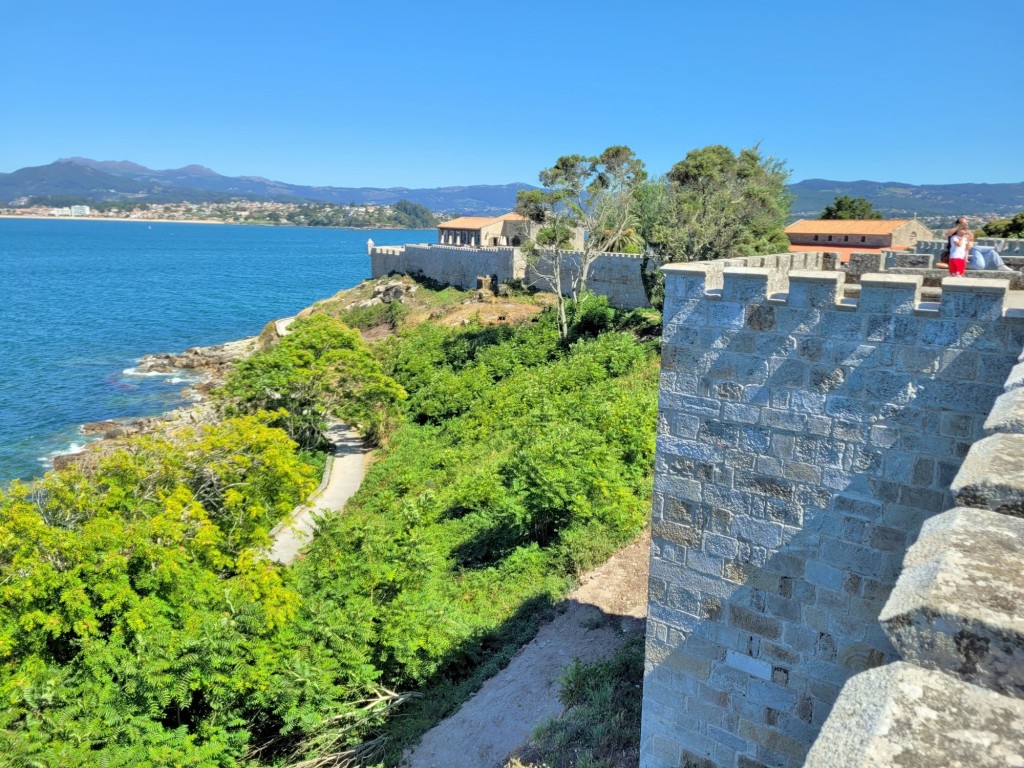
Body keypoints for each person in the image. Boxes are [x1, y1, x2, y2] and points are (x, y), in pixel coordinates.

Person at [944, 216, 1014, 271]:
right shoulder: (954, 237)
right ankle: (996, 248)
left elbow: (968, 248)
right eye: (963, 223)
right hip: (965, 264)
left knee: (991, 252)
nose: (966, 225)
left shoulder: (967, 236)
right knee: (975, 248)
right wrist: (959, 227)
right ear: (958, 225)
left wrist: (968, 239)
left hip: (974, 264)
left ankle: (1001, 266)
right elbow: (948, 233)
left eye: (967, 223)